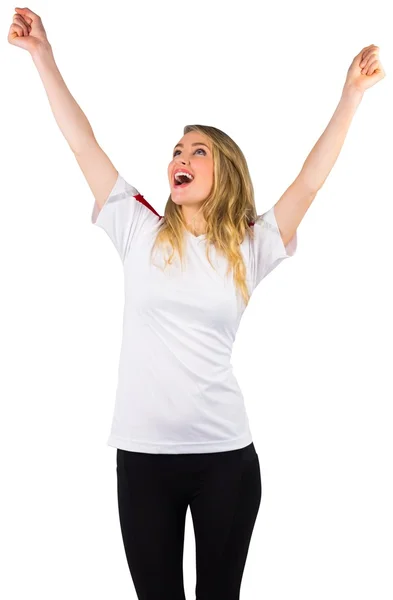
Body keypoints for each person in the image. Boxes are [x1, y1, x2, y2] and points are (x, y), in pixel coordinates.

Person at [9, 7, 385, 600]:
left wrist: (351, 98)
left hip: (225, 460)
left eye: (198, 150)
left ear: (225, 170)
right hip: (142, 457)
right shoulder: (136, 227)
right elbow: (81, 142)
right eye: (177, 149)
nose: (180, 157)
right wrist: (43, 56)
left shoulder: (250, 245)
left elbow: (309, 183)